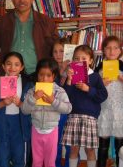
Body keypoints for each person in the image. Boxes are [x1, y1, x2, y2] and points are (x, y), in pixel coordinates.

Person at [0, 0, 59, 76]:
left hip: (40, 75)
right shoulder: (2, 22)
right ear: (12, 0)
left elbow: (57, 49)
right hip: (11, 75)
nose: (21, 0)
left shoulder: (46, 22)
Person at [61, 45, 107, 167]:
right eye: (76, 58)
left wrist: (88, 89)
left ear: (91, 60)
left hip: (90, 118)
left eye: (83, 58)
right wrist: (69, 81)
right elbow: (65, 97)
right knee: (73, 149)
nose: (79, 61)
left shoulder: (95, 76)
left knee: (90, 150)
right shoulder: (71, 76)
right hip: (74, 116)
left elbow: (103, 95)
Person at [94, 36, 123, 167]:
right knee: (103, 145)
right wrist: (101, 83)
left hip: (119, 111)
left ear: (120, 51)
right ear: (103, 51)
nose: (112, 51)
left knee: (120, 146)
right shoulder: (98, 68)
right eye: (108, 48)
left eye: (115, 48)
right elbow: (93, 92)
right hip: (104, 110)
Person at [21, 58, 72, 167]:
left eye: (48, 75)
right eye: (41, 75)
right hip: (36, 130)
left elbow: (68, 108)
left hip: (52, 131)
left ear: (54, 76)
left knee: (50, 162)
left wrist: (53, 101)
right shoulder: (32, 91)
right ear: (37, 75)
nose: (44, 78)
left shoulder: (59, 91)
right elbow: (24, 110)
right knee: (36, 162)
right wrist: (33, 98)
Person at [0, 52, 33, 167]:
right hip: (2, 125)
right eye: (9, 64)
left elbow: (34, 106)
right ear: (3, 66)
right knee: (2, 159)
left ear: (22, 67)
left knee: (20, 158)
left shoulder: (28, 84)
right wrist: (3, 103)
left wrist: (21, 104)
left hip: (20, 125)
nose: (12, 67)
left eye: (17, 64)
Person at [52, 38, 71, 167]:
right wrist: (60, 70)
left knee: (70, 144)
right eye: (55, 52)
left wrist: (66, 71)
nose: (58, 55)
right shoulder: (51, 69)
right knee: (56, 143)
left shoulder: (73, 69)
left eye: (62, 51)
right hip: (56, 112)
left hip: (71, 111)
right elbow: (54, 88)